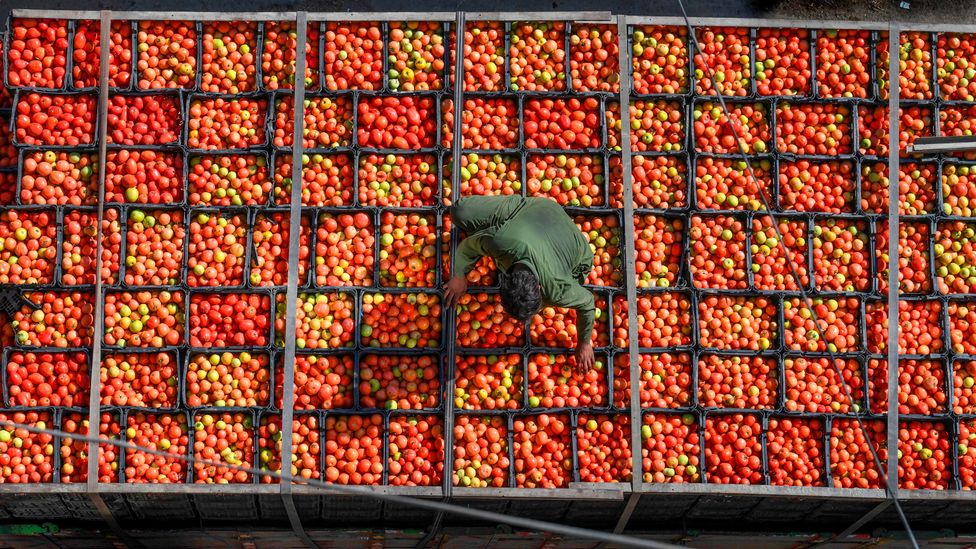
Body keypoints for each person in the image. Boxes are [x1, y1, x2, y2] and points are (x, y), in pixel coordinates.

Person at [444, 195, 596, 371]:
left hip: (566, 239)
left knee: (562, 288)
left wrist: (584, 342)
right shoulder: (500, 242)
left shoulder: (557, 289)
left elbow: (587, 302)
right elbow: (468, 246)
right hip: (532, 210)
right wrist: (459, 275)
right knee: (459, 212)